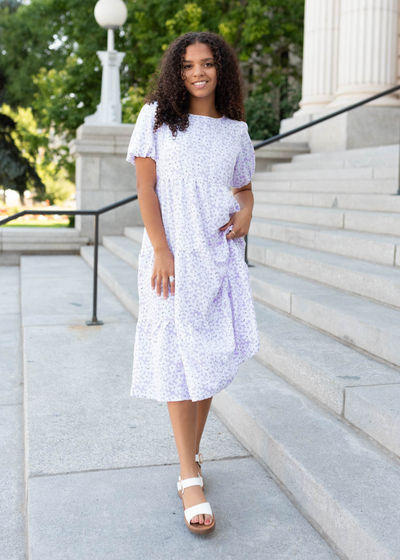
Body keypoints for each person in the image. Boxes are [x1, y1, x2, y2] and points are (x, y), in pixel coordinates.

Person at [126, 30, 259, 535]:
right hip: (170, 259)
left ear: (221, 69)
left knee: (204, 355)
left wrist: (246, 211)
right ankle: (189, 475)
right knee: (178, 357)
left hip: (217, 258)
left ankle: (192, 455)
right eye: (187, 65)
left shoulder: (236, 132)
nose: (198, 72)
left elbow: (244, 189)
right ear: (175, 72)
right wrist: (162, 249)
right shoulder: (156, 119)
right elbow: (145, 188)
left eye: (207, 63)